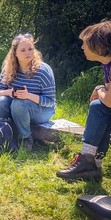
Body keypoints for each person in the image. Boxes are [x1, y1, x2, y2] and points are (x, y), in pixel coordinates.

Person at [57, 20, 111, 181]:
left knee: (99, 106)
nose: (82, 47)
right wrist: (101, 88)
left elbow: (109, 100)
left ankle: (89, 161)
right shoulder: (106, 63)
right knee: (100, 108)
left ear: (98, 46)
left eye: (85, 43)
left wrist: (99, 89)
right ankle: (93, 163)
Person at [0, 34, 56, 151]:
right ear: (15, 53)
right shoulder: (8, 68)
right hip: (16, 108)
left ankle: (25, 138)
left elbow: (50, 102)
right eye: (23, 50)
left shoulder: (43, 70)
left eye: (30, 49)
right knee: (1, 101)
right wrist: (9, 92)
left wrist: (28, 96)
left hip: (42, 110)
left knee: (19, 103)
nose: (28, 53)